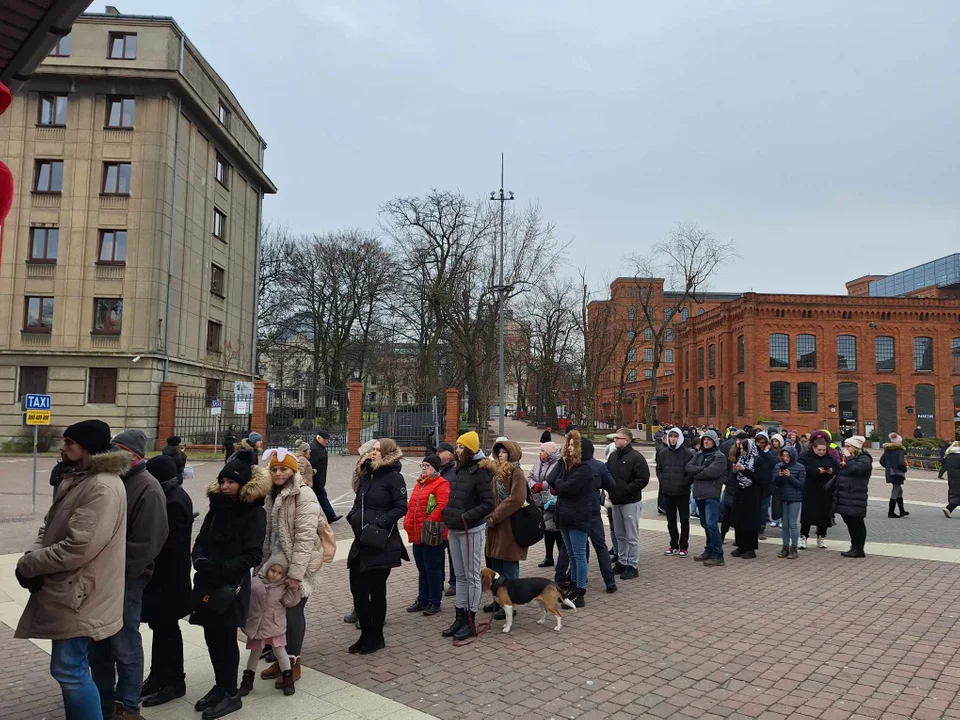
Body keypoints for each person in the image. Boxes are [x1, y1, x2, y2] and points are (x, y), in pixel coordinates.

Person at [15, 421, 128, 720]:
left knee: (70, 670)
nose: (63, 448)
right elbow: (50, 526)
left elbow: (78, 547)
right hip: (72, 590)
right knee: (69, 669)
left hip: (81, 594)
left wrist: (29, 564)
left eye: (69, 443)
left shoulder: (101, 486)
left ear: (87, 448)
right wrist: (33, 554)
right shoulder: (82, 478)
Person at [90, 429, 168, 720]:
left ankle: (128, 704)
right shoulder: (112, 481)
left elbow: (148, 542)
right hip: (101, 579)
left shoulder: (147, 487)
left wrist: (118, 572)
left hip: (126, 581)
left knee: (125, 645)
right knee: (98, 645)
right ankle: (102, 698)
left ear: (132, 455)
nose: (110, 453)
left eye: (116, 449)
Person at [190, 453, 269, 719]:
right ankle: (219, 685)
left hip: (230, 585)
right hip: (207, 581)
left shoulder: (254, 512)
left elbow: (253, 554)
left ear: (243, 484)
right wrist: (199, 559)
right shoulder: (216, 508)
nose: (225, 486)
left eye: (231, 482)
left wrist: (222, 569)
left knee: (225, 638)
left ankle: (230, 691)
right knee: (211, 636)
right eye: (222, 481)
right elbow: (200, 540)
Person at [258, 448, 325, 685]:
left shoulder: (304, 495)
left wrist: (296, 575)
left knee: (293, 611)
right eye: (274, 469)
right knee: (278, 613)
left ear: (293, 470)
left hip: (299, 565)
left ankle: (294, 663)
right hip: (277, 562)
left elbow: (305, 538)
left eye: (283, 469)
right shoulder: (272, 494)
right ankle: (281, 660)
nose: (278, 473)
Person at [140, 455, 194, 707]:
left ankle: (173, 681)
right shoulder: (170, 495)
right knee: (160, 628)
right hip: (164, 579)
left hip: (168, 580)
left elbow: (166, 544)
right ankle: (159, 675)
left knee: (167, 629)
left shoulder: (172, 501)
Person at [346, 439, 408, 654]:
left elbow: (401, 507)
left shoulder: (394, 477)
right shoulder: (367, 474)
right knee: (357, 589)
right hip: (361, 540)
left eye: (377, 450)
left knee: (376, 591)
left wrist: (379, 523)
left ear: (387, 453)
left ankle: (376, 636)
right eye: (371, 450)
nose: (372, 453)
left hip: (381, 542)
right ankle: (364, 634)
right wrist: (352, 516)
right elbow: (358, 500)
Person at [441, 431, 495, 641]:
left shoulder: (480, 472)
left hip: (470, 529)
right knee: (460, 576)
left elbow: (488, 503)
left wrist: (466, 517)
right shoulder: (459, 470)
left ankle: (470, 619)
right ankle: (459, 616)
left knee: (472, 576)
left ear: (471, 450)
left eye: (462, 447)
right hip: (454, 528)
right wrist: (449, 514)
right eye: (457, 446)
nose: (457, 450)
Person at [240, 557, 300, 697]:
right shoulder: (256, 582)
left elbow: (290, 602)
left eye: (279, 573)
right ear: (267, 568)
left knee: (280, 652)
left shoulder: (282, 588)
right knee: (255, 653)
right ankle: (247, 681)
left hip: (274, 626)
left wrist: (294, 589)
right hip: (257, 626)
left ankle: (288, 679)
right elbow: (246, 596)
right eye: (273, 570)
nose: (275, 575)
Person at [484, 440, 529, 619]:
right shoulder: (497, 472)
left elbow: (516, 499)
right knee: (496, 564)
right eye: (499, 452)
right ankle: (499, 600)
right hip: (496, 527)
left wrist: (495, 516)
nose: (501, 455)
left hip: (510, 526)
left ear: (512, 453)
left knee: (509, 566)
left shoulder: (516, 472)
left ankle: (510, 602)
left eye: (504, 452)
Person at [403, 454, 450, 616]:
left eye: (427, 466)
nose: (424, 468)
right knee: (422, 567)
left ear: (435, 468)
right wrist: (408, 520)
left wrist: (428, 522)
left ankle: (434, 601)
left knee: (433, 568)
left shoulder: (441, 484)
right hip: (418, 533)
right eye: (422, 465)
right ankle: (422, 598)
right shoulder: (420, 484)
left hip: (432, 533)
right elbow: (412, 506)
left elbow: (442, 507)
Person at [552, 430, 594, 607]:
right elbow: (552, 479)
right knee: (570, 553)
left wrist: (560, 484)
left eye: (572, 445)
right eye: (567, 445)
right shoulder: (566, 466)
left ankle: (580, 589)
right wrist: (561, 468)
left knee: (578, 555)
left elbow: (566, 487)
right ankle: (574, 584)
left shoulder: (585, 470)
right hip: (565, 516)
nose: (568, 448)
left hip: (578, 517)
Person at [606, 427, 649, 580]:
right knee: (619, 534)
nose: (615, 440)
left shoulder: (636, 457)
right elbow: (607, 473)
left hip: (630, 501)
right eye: (615, 438)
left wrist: (625, 490)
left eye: (618, 438)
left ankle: (633, 565)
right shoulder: (613, 456)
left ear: (627, 440)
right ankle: (622, 561)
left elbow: (642, 479)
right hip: (616, 501)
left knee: (631, 535)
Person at [686, 429, 727, 567]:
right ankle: (709, 550)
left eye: (709, 439)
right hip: (699, 494)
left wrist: (698, 471)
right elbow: (688, 468)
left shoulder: (720, 456)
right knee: (705, 525)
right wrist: (702, 469)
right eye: (704, 440)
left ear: (714, 441)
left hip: (711, 494)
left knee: (711, 524)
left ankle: (718, 554)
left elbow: (712, 472)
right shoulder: (698, 454)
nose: (706, 442)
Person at [828, 436, 872, 558]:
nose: (845, 449)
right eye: (845, 446)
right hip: (846, 495)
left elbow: (856, 470)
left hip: (856, 495)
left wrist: (848, 458)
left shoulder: (864, 459)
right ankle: (854, 547)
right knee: (850, 522)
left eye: (848, 446)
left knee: (857, 523)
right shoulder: (851, 459)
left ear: (855, 447)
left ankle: (859, 549)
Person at [657, 427, 694, 557]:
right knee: (670, 520)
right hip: (668, 492)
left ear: (680, 438)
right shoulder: (663, 453)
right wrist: (664, 481)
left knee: (684, 520)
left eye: (675, 436)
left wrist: (684, 482)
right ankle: (674, 544)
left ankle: (684, 546)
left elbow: (691, 473)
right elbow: (659, 469)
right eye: (671, 436)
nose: (673, 439)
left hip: (682, 492)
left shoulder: (688, 454)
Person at [798, 438, 839, 549]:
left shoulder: (829, 457)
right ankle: (803, 537)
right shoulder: (805, 456)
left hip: (825, 490)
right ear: (813, 448)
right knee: (807, 514)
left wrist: (831, 470)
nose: (821, 452)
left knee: (824, 515)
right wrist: (816, 470)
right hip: (810, 489)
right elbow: (801, 468)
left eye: (823, 450)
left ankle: (821, 537)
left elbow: (837, 468)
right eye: (819, 450)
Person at [528, 441, 561, 567]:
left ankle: (561, 559)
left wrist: (543, 485)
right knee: (547, 528)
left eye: (543, 451)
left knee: (555, 529)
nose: (540, 453)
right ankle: (548, 556)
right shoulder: (538, 463)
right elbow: (530, 476)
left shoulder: (558, 464)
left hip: (552, 500)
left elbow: (555, 479)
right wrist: (533, 485)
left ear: (549, 453)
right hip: (540, 500)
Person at [730, 438, 762, 559]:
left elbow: (761, 478)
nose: (741, 450)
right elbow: (735, 476)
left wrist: (745, 471)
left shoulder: (758, 461)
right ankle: (741, 545)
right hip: (740, 491)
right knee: (739, 520)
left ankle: (750, 548)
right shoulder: (741, 459)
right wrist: (735, 471)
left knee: (750, 521)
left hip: (752, 494)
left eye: (744, 448)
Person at [435, 441, 459, 598]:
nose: (437, 454)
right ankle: (440, 581)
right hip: (438, 516)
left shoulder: (454, 470)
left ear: (449, 455)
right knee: (439, 550)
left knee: (452, 552)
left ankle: (454, 582)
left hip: (450, 516)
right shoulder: (439, 469)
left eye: (440, 452)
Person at [773, 446, 805, 559]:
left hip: (795, 498)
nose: (785, 458)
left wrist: (789, 476)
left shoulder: (800, 467)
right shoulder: (778, 466)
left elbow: (801, 484)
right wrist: (779, 476)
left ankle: (794, 548)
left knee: (793, 524)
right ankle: (785, 546)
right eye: (784, 456)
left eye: (788, 456)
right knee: (785, 525)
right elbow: (774, 481)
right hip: (782, 497)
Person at [310, 430, 341, 523]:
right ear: (319, 438)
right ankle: (330, 516)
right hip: (316, 479)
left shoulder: (319, 446)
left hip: (319, 478)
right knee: (321, 497)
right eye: (325, 440)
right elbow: (311, 465)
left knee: (321, 496)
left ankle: (330, 516)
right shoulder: (315, 448)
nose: (326, 442)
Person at [880, 433, 909, 518]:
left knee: (900, 491)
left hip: (890, 472)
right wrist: (904, 469)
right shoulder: (900, 451)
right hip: (897, 473)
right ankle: (891, 512)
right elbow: (901, 463)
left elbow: (882, 461)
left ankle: (902, 510)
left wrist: (889, 467)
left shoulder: (887, 450)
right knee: (895, 491)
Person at [944, 442, 960, 517]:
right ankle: (949, 508)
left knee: (954, 493)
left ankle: (949, 508)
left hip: (951, 477)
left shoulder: (948, 455)